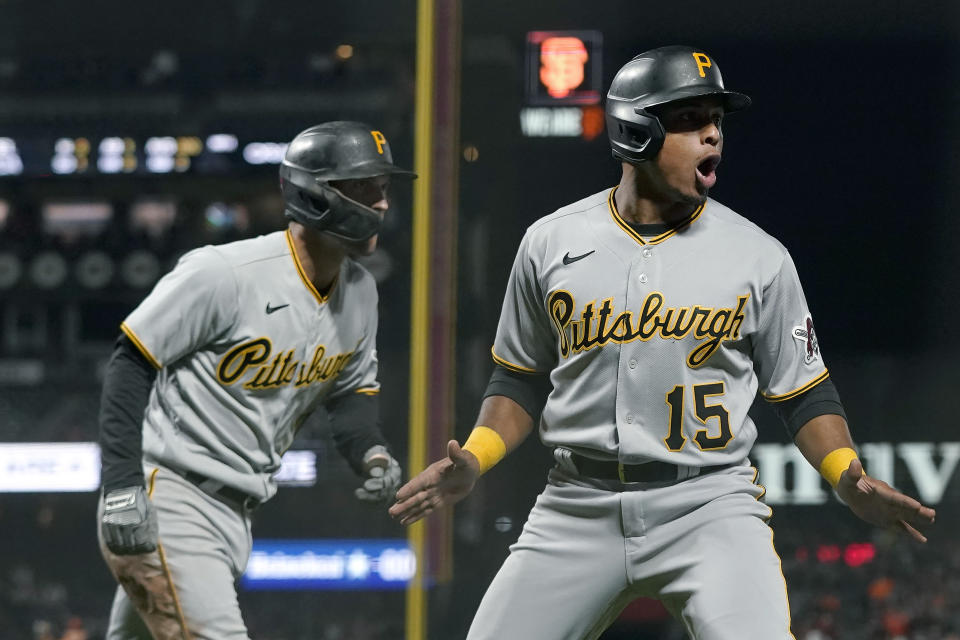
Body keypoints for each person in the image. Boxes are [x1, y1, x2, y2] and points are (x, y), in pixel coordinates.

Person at [389, 45, 936, 639]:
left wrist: (845, 474)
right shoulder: (549, 244)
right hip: (577, 503)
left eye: (717, 121)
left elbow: (804, 391)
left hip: (709, 504)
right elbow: (518, 378)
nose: (712, 136)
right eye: (690, 119)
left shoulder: (759, 256)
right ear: (634, 131)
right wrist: (476, 457)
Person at [97, 121, 414, 640]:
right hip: (171, 500)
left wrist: (372, 454)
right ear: (314, 194)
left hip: (236, 513)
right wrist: (122, 484)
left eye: (383, 189)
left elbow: (352, 393)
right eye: (363, 188)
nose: (380, 204)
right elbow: (132, 360)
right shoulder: (225, 273)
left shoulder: (361, 292)